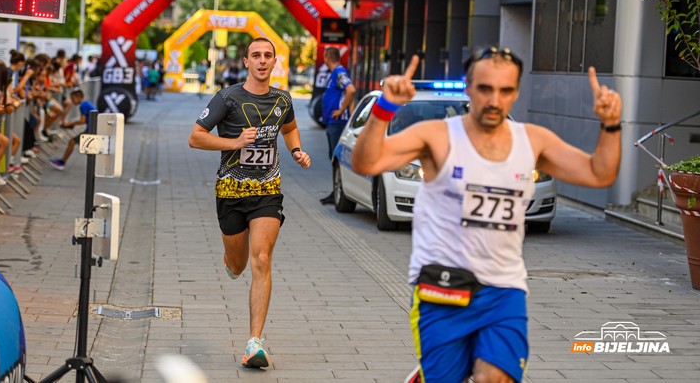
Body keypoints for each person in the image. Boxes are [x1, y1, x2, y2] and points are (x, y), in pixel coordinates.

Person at [351, 47, 622, 383]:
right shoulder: (437, 136)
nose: (495, 99)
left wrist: (611, 125)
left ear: (516, 93)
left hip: (503, 289)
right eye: (485, 89)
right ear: (468, 87)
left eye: (505, 90)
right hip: (443, 286)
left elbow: (599, 174)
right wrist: (384, 109)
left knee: (495, 378)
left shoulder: (533, 141)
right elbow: (366, 163)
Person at [188, 37, 311, 369]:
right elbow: (195, 137)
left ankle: (254, 342)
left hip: (267, 192)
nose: (261, 60)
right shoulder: (228, 98)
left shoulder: (282, 99)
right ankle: (230, 259)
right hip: (230, 192)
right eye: (255, 55)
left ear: (274, 63)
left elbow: (290, 128)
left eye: (267, 56)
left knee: (262, 258)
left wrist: (297, 150)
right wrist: (235, 141)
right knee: (240, 263)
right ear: (246, 61)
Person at [319, 47, 356, 205]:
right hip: (335, 122)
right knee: (335, 157)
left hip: (337, 122)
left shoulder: (339, 72)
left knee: (337, 158)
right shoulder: (336, 73)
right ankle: (337, 191)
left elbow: (351, 90)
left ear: (327, 57)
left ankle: (339, 193)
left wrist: (341, 110)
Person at [49, 89, 97, 170]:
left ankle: (62, 163)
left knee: (72, 142)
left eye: (73, 98)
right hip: (93, 128)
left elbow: (82, 120)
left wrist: (69, 124)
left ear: (78, 97)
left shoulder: (83, 105)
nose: (72, 101)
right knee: (86, 146)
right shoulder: (87, 104)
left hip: (92, 129)